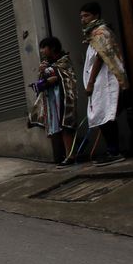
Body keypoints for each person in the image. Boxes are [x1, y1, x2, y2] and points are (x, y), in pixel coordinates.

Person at [80, 2, 129, 166]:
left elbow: (101, 57)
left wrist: (91, 82)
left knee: (106, 115)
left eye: (86, 15)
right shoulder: (92, 34)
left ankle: (114, 151)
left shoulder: (101, 32)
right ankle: (112, 150)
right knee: (102, 115)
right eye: (81, 16)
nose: (83, 19)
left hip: (106, 81)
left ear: (96, 15)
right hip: (100, 83)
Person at [28, 37, 78, 167]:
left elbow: (62, 77)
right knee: (56, 128)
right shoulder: (47, 63)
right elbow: (46, 78)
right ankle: (64, 155)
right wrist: (42, 73)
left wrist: (49, 76)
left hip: (64, 99)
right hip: (52, 101)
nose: (42, 51)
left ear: (53, 48)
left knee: (66, 126)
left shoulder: (64, 61)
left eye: (44, 47)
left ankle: (71, 156)